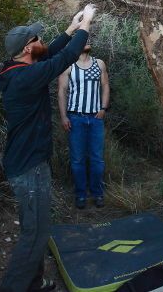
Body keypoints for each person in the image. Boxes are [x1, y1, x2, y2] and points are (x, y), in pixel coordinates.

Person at [0, 4, 97, 292]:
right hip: (29, 168)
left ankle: (34, 283)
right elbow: (63, 58)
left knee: (37, 230)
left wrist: (71, 28)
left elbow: (50, 53)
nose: (41, 41)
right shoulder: (25, 78)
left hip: (28, 163)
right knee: (34, 235)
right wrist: (87, 23)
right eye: (36, 39)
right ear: (27, 49)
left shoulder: (19, 68)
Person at [57, 36, 110, 209]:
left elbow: (106, 86)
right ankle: (80, 195)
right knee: (78, 159)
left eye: (89, 38)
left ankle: (97, 194)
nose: (88, 40)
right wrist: (64, 116)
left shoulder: (99, 63)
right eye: (84, 39)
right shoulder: (68, 65)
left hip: (96, 119)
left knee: (97, 159)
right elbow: (62, 91)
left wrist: (103, 108)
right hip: (76, 118)